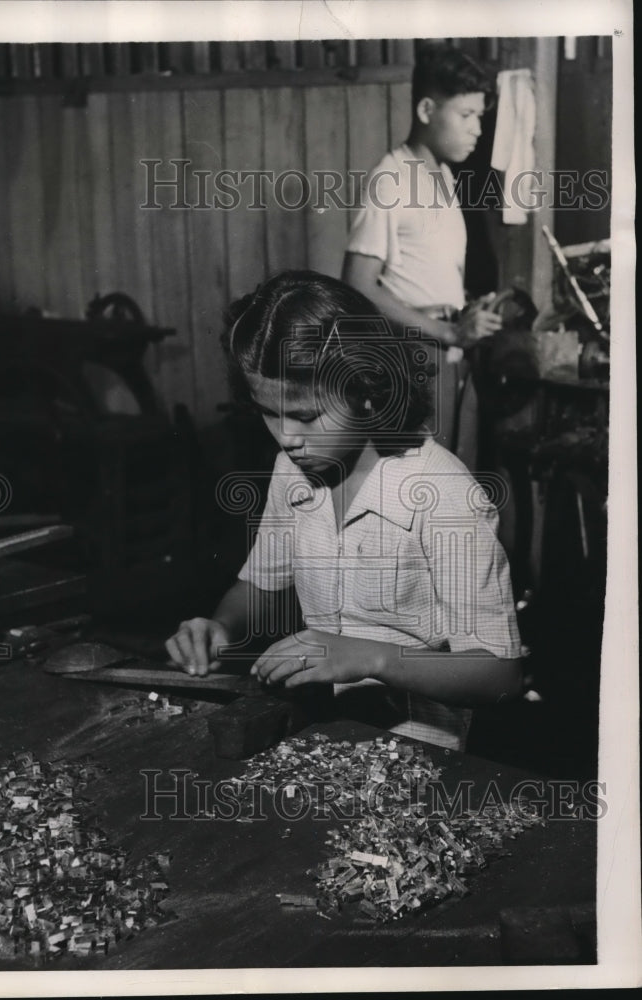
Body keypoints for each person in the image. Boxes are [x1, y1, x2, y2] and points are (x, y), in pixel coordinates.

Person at [165, 271, 522, 751]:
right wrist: (220, 626)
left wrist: (374, 658)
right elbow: (260, 587)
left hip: (416, 754)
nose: (286, 437)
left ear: (368, 391)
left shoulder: (444, 494)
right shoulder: (292, 474)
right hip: (316, 732)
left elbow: (499, 675)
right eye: (268, 413)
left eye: (306, 415)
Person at [342, 43, 502, 470]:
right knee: (417, 491)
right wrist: (445, 331)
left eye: (480, 117)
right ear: (427, 110)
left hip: (448, 358)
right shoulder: (390, 179)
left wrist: (466, 314)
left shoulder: (443, 175)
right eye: (466, 116)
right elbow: (356, 285)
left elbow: (425, 272)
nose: (477, 130)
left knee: (453, 484)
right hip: (412, 362)